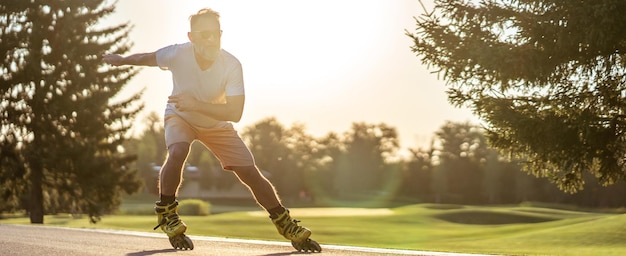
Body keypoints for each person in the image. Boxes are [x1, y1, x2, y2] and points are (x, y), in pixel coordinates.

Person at [102, 8, 320, 252]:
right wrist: (121, 61)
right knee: (178, 151)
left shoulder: (231, 65)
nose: (210, 39)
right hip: (180, 116)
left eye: (214, 34)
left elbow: (235, 113)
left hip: (217, 125)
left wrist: (197, 105)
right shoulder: (177, 53)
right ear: (191, 37)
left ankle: (284, 222)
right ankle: (166, 213)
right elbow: (148, 58)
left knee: (250, 173)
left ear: (221, 34)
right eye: (203, 34)